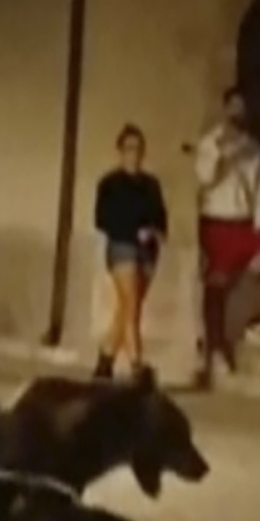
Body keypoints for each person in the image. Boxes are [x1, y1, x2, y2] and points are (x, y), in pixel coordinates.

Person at [194, 87, 260, 375]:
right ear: (225, 110)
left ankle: (251, 319)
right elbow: (204, 180)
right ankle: (215, 350)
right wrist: (222, 156)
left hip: (243, 222)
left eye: (241, 109)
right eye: (232, 108)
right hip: (216, 220)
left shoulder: (254, 148)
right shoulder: (210, 143)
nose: (237, 114)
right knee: (216, 283)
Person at [93, 124, 168, 380]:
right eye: (129, 148)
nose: (134, 153)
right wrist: (133, 228)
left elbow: (161, 216)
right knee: (131, 305)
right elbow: (102, 219)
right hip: (122, 246)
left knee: (128, 308)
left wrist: (154, 231)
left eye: (138, 148)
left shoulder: (151, 184)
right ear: (120, 151)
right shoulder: (109, 183)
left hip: (148, 251)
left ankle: (106, 359)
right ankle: (137, 366)